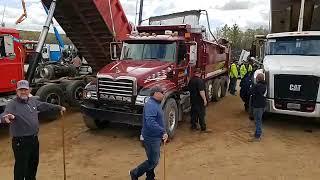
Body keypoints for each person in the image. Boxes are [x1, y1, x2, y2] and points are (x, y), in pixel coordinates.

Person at [0, 80, 66, 180]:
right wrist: (5, 118)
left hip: (34, 139)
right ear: (16, 91)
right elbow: (4, 114)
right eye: (21, 90)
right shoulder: (12, 104)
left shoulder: (32, 101)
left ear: (29, 90)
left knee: (33, 164)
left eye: (25, 89)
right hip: (20, 142)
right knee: (21, 167)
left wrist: (58, 107)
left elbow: (44, 105)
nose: (23, 92)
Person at [130, 86, 168, 180]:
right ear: (155, 93)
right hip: (151, 137)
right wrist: (162, 131)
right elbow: (150, 122)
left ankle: (150, 177)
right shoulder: (151, 105)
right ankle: (135, 173)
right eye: (162, 92)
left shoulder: (155, 103)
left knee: (152, 158)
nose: (163, 94)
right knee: (153, 161)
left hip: (154, 136)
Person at [249, 73, 267, 142]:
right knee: (258, 120)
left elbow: (250, 92)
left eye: (256, 78)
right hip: (262, 105)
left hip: (258, 106)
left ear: (258, 79)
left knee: (257, 121)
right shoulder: (264, 85)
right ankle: (257, 133)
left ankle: (257, 136)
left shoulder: (257, 86)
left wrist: (252, 86)